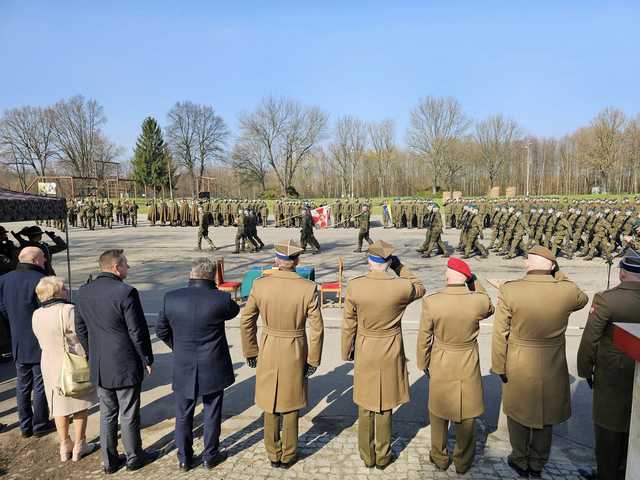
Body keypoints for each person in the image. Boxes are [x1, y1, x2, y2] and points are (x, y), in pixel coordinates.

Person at [491, 246, 588, 478]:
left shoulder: (510, 290)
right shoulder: (567, 290)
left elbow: (499, 333)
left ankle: (519, 458)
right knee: (546, 414)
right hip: (552, 360)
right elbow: (582, 299)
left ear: (527, 264)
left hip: (519, 359)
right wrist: (558, 274)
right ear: (553, 266)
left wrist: (499, 365)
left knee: (518, 411)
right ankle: (537, 462)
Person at [240, 240, 324, 468]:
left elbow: (247, 320)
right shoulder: (308, 288)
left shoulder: (260, 285)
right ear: (297, 261)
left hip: (268, 346)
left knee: (270, 402)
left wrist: (251, 350)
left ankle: (273, 453)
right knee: (291, 401)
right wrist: (313, 359)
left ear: (277, 260)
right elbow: (317, 328)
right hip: (295, 347)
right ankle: (289, 454)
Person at [342, 240, 425, 469]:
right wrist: (400, 268)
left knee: (365, 402)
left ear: (369, 261)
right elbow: (420, 286)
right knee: (385, 403)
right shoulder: (401, 287)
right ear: (388, 262)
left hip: (365, 345)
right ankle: (383, 454)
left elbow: (349, 322)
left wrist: (347, 350)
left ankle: (366, 455)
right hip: (390, 346)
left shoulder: (355, 285)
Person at [75, 249, 155, 474]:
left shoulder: (83, 292)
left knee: (107, 412)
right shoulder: (126, 292)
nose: (128, 268)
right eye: (126, 265)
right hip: (124, 361)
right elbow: (137, 331)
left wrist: (92, 353)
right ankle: (134, 457)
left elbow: (80, 328)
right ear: (115, 267)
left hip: (100, 363)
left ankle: (109, 461)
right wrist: (146, 357)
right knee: (128, 412)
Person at [156, 258, 240, 471]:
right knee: (212, 412)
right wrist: (216, 289)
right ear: (212, 277)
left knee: (183, 414)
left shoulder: (171, 298)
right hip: (213, 363)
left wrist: (178, 347)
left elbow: (161, 331)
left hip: (184, 363)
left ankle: (184, 458)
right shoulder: (221, 299)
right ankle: (210, 456)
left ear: (191, 274)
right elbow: (234, 310)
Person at [417, 258, 494, 474]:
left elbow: (424, 337)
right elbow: (489, 303)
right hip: (468, 357)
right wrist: (474, 281)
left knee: (438, 411)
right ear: (466, 278)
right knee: (467, 412)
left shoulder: (433, 302)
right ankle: (463, 461)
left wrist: (423, 363)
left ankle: (439, 456)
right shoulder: (477, 301)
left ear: (447, 276)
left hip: (441, 357)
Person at [577, 248, 640, 480]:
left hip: (613, 374)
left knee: (609, 431)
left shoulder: (607, 299)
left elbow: (590, 339)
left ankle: (607, 474)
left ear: (622, 274)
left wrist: (585, 370)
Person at [32, 276, 98, 462]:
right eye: (63, 288)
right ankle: (80, 444)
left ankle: (64, 443)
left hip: (48, 362)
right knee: (79, 403)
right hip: (72, 361)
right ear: (55, 292)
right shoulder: (69, 310)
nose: (67, 290)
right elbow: (81, 335)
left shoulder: (36, 314)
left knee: (58, 406)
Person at [0, 246, 55, 438]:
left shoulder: (4, 280)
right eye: (42, 259)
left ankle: (25, 425)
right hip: (39, 339)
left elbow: (3, 309)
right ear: (34, 260)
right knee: (39, 384)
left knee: (22, 385)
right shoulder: (41, 280)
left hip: (17, 338)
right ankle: (40, 423)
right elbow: (47, 310)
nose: (45, 262)